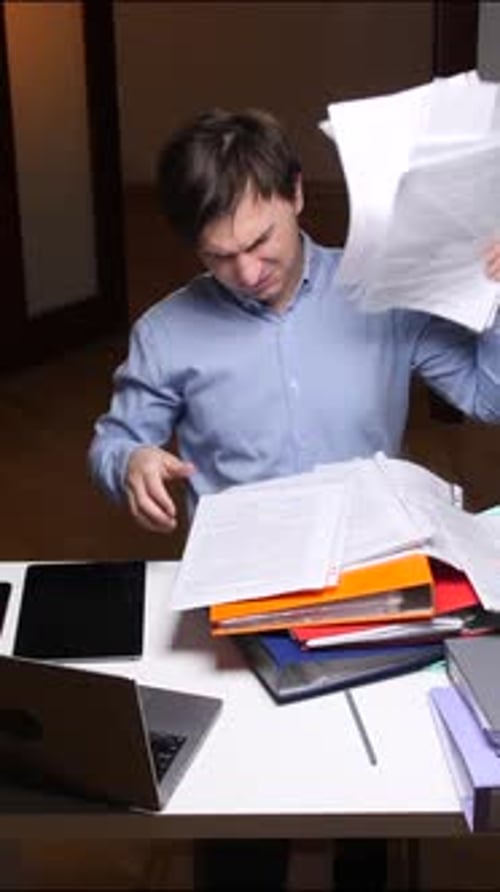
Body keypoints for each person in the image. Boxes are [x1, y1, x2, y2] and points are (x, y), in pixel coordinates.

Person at [88, 108, 500, 891]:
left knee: (371, 807)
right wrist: (132, 460)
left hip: (380, 586)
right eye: (219, 256)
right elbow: (112, 441)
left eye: (259, 242)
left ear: (297, 195)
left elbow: (487, 395)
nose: (246, 272)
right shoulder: (166, 332)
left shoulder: (383, 292)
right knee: (245, 812)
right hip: (244, 603)